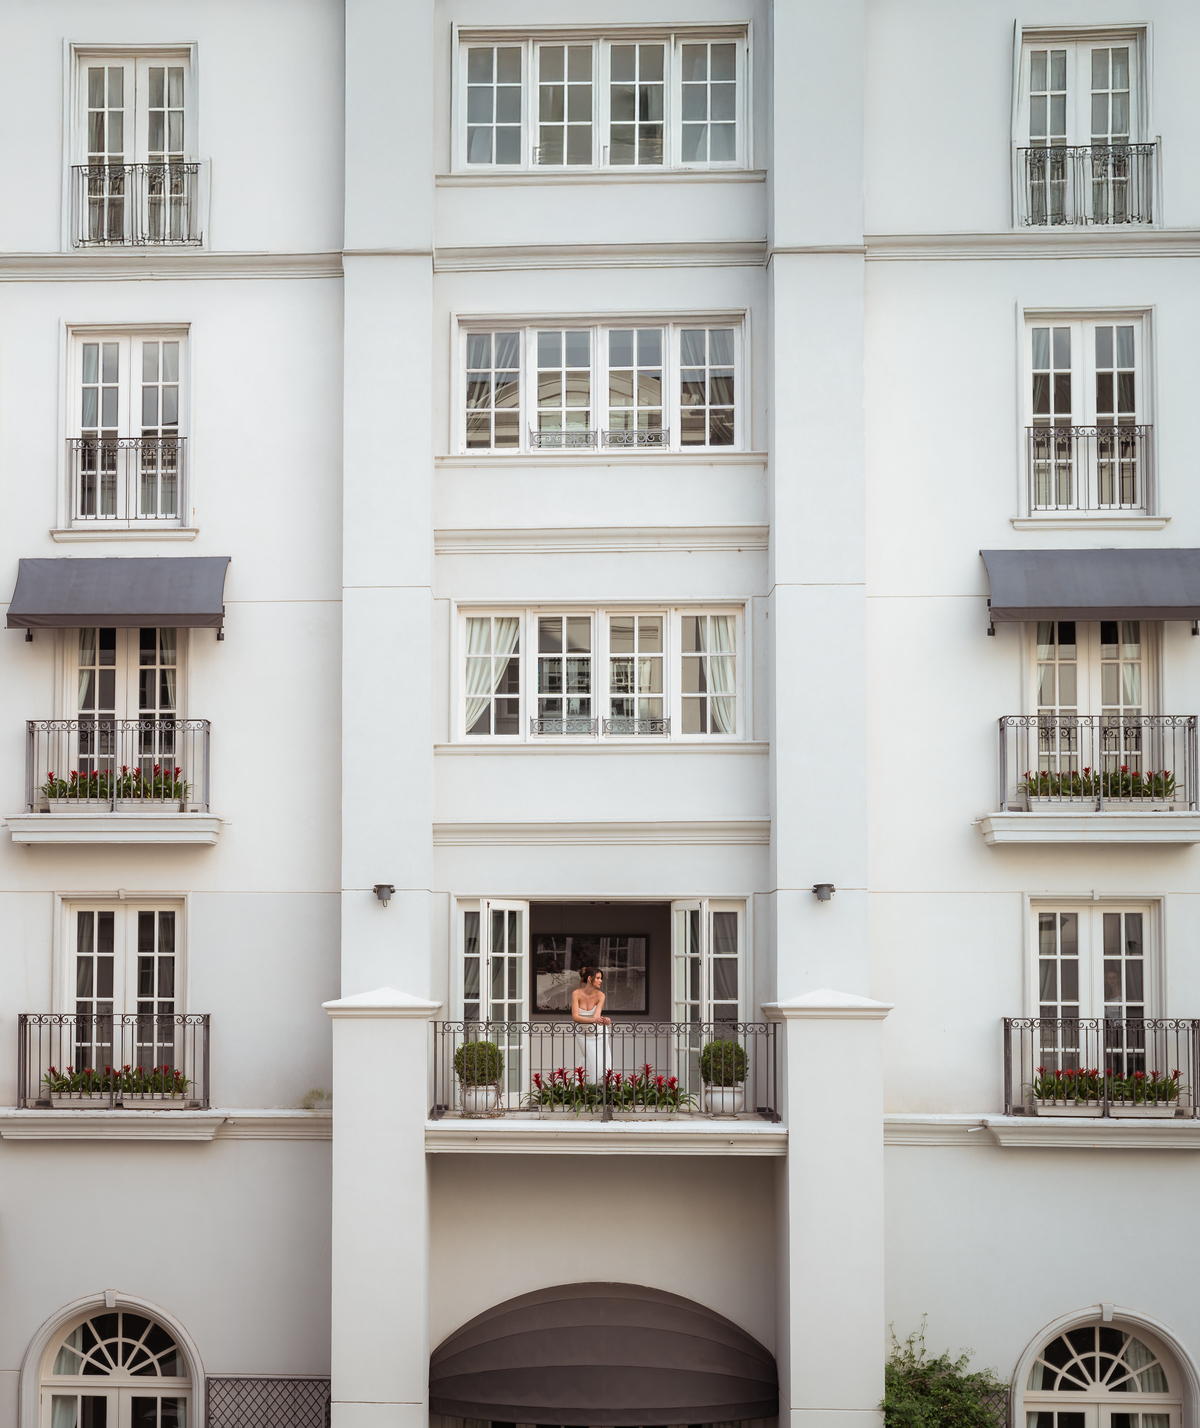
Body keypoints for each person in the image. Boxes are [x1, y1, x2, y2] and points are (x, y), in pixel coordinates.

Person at [571, 966, 611, 1083]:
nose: (601, 981)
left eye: (601, 978)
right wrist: (595, 1020)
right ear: (589, 978)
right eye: (598, 978)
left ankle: (602, 1089)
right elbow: (575, 1017)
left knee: (602, 1061)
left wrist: (604, 1021)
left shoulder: (601, 995)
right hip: (582, 1034)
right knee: (589, 1060)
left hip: (599, 1034)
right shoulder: (576, 994)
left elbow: (596, 1017)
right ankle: (586, 1088)